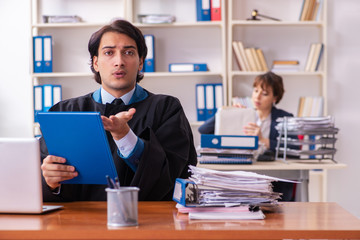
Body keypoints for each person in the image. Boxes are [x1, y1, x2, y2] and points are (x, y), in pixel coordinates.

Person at [40, 19, 197, 201]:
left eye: (128, 52)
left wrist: (125, 137)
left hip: (148, 221)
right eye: (109, 52)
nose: (119, 61)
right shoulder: (64, 113)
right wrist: (50, 182)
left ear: (140, 63)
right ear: (96, 63)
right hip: (80, 222)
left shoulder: (166, 109)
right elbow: (38, 180)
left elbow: (174, 177)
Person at [198, 71, 296, 201]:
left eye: (264, 93)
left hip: (274, 178)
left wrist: (263, 140)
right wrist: (225, 113)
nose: (257, 97)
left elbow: (294, 148)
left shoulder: (284, 118)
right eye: (255, 91)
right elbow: (203, 130)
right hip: (246, 175)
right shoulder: (243, 113)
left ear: (275, 98)